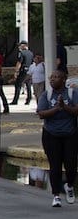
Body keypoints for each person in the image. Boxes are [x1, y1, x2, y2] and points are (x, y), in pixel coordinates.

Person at [36, 70, 78, 207]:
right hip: (51, 134)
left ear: (64, 79)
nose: (53, 79)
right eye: (51, 77)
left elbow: (76, 111)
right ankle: (56, 195)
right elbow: (41, 113)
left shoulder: (72, 93)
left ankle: (69, 185)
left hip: (70, 134)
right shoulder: (46, 95)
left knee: (71, 165)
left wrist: (64, 106)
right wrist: (56, 108)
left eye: (57, 77)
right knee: (55, 166)